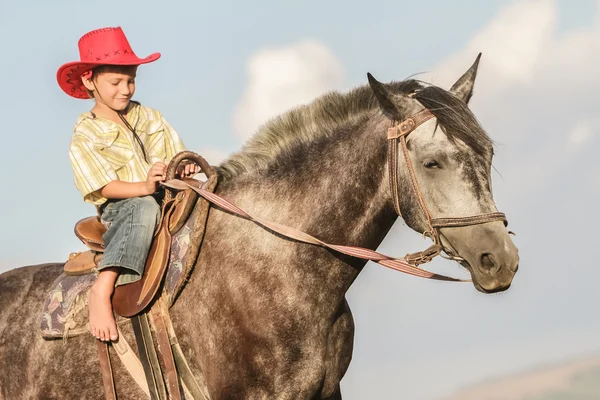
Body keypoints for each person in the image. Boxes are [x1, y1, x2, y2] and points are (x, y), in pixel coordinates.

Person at [57, 26, 199, 342]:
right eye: (116, 82)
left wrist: (184, 167)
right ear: (88, 80)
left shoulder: (151, 117)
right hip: (123, 207)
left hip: (166, 196)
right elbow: (103, 185)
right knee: (144, 208)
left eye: (131, 79)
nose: (126, 89)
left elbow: (176, 155)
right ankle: (103, 289)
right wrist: (144, 188)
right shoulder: (85, 135)